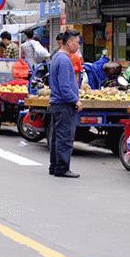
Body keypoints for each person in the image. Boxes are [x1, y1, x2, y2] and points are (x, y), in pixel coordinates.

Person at [48, 30, 82, 178]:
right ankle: (62, 167)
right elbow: (64, 87)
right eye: (76, 42)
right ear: (68, 43)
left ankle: (54, 166)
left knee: (57, 137)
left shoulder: (57, 57)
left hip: (57, 104)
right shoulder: (63, 60)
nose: (78, 45)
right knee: (65, 137)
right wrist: (75, 100)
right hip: (63, 105)